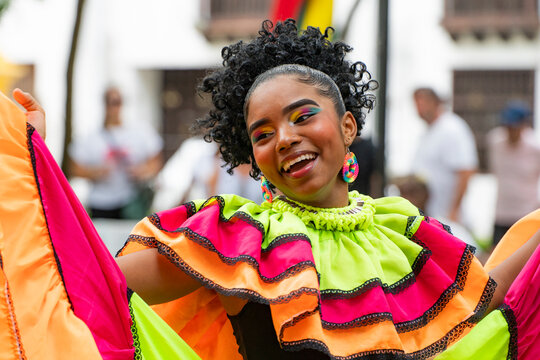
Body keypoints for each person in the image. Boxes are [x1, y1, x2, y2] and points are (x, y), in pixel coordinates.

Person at [3, 20, 540, 359]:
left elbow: (486, 302)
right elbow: (91, 283)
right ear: (252, 157)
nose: (285, 139)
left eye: (303, 115)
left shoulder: (399, 227)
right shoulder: (235, 236)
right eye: (262, 134)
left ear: (349, 127)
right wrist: (34, 167)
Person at [69, 86, 163, 219]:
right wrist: (95, 172)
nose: (114, 108)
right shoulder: (90, 136)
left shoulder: (140, 132)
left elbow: (156, 161)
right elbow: (74, 168)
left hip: (131, 200)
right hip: (100, 202)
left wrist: (142, 172)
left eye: (117, 102)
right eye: (110, 102)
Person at [412, 88, 478, 224]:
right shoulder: (430, 130)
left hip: (445, 215)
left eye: (422, 103)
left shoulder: (452, 128)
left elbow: (466, 170)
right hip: (431, 212)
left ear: (435, 103)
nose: (418, 109)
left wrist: (454, 210)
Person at [487, 101, 540, 246]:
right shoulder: (495, 140)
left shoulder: (535, 147)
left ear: (524, 125)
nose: (510, 131)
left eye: (514, 127)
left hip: (526, 213)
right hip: (502, 212)